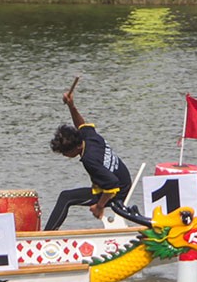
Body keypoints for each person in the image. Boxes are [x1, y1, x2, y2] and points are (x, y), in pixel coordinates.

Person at [44, 90, 132, 231]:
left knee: (66, 197)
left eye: (66, 153)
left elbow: (112, 185)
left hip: (117, 192)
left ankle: (46, 237)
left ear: (76, 148)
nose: (65, 156)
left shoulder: (89, 160)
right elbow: (80, 124)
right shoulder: (88, 136)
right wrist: (71, 106)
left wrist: (99, 207)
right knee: (68, 195)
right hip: (124, 180)